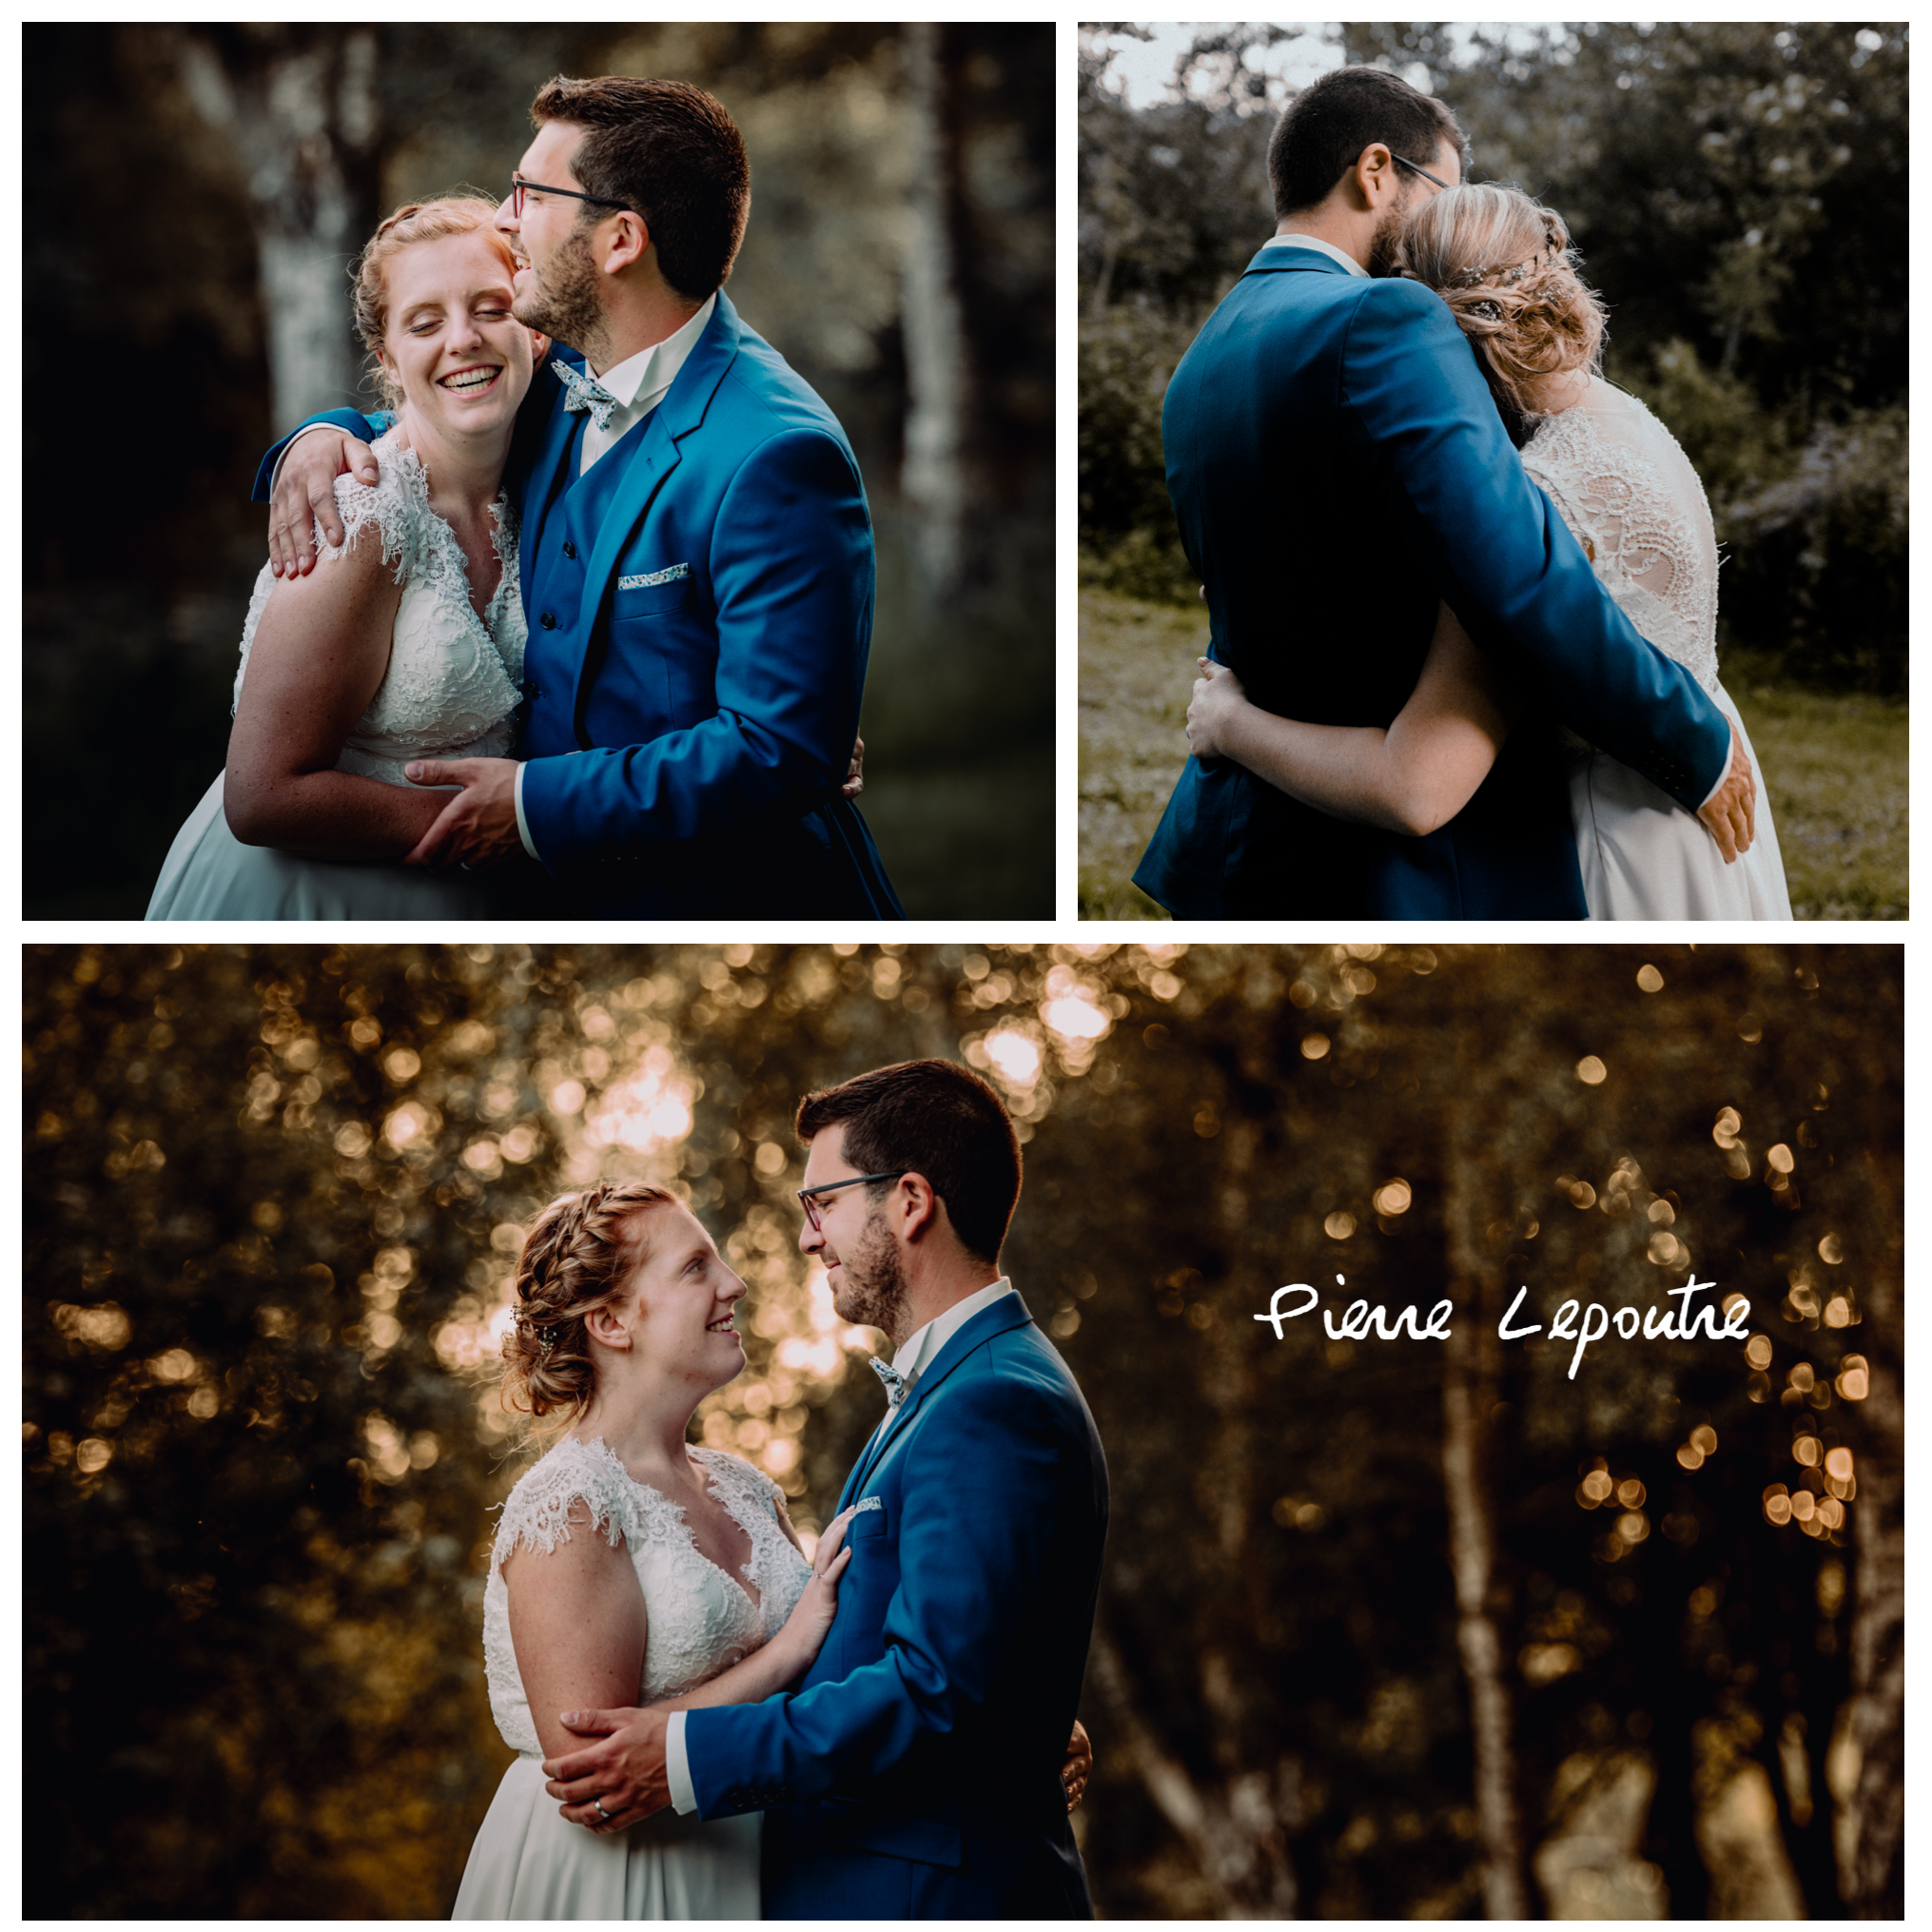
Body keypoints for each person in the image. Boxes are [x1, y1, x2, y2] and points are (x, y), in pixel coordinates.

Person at [263, 75, 902, 920]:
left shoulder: (778, 455)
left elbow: (778, 747)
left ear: (620, 240)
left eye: (529, 192)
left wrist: (531, 806)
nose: (503, 217)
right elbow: (436, 405)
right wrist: (312, 441)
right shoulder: (563, 368)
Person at [1129, 65, 1756, 920]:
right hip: (1407, 858)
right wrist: (1692, 738)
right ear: (1375, 169)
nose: (1447, 227)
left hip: (1246, 844)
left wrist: (1230, 722)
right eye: (1443, 189)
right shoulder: (1384, 317)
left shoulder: (1202, 360)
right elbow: (1516, 575)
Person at [531, 1061, 1109, 1918]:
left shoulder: (989, 1399)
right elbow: (924, 1657)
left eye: (823, 1202)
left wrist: (686, 1755)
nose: (806, 1238)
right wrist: (1014, 1712)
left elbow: (936, 1689)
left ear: (909, 1202)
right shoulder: (948, 1391)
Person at [454, 1181, 856, 1917]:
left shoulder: (747, 1486)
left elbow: (833, 1684)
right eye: (695, 1267)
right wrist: (785, 1652)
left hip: (762, 1864)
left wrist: (1005, 1724)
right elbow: (592, 1777)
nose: (733, 1283)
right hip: (620, 1883)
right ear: (610, 1320)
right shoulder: (570, 1504)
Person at [146, 197, 546, 919]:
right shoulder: (359, 514)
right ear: (389, 356)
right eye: (425, 323)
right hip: (298, 900)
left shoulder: (542, 483)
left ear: (538, 331)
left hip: (449, 908)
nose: (463, 339)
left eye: (492, 308)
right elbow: (263, 796)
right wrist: (519, 826)